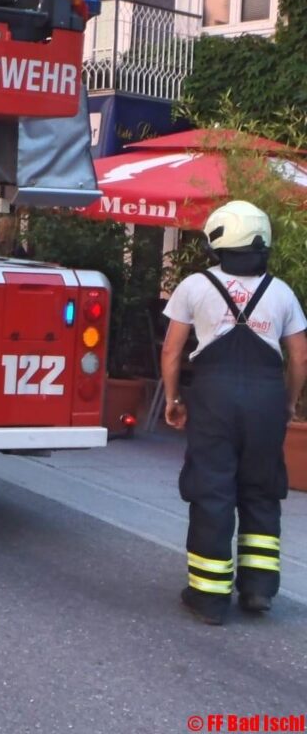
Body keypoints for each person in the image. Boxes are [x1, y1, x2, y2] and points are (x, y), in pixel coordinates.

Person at [160, 200, 307, 624]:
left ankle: (208, 597)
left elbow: (172, 350)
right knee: (261, 488)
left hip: (214, 399)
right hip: (264, 400)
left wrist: (172, 399)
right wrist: (288, 401)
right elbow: (299, 356)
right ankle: (259, 590)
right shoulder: (281, 292)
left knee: (213, 490)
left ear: (218, 239)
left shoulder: (194, 286)